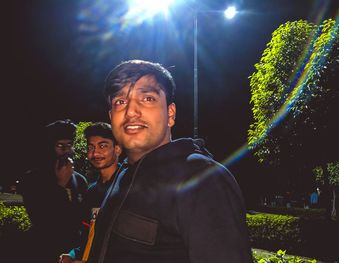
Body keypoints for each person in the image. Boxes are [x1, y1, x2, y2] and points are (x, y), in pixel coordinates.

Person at [87, 60, 252, 263]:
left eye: (147, 98)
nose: (130, 111)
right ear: (111, 116)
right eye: (120, 102)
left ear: (170, 114)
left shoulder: (201, 179)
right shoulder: (122, 175)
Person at [21, 119, 88, 262]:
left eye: (69, 145)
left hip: (73, 254)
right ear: (50, 147)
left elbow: (82, 221)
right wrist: (61, 184)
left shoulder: (80, 180)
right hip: (43, 252)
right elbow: (43, 221)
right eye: (60, 145)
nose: (66, 150)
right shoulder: (33, 178)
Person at [59, 122, 123, 263]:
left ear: (117, 149)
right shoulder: (92, 191)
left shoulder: (128, 188)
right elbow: (88, 234)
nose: (95, 153)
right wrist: (74, 254)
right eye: (90, 147)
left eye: (103, 146)